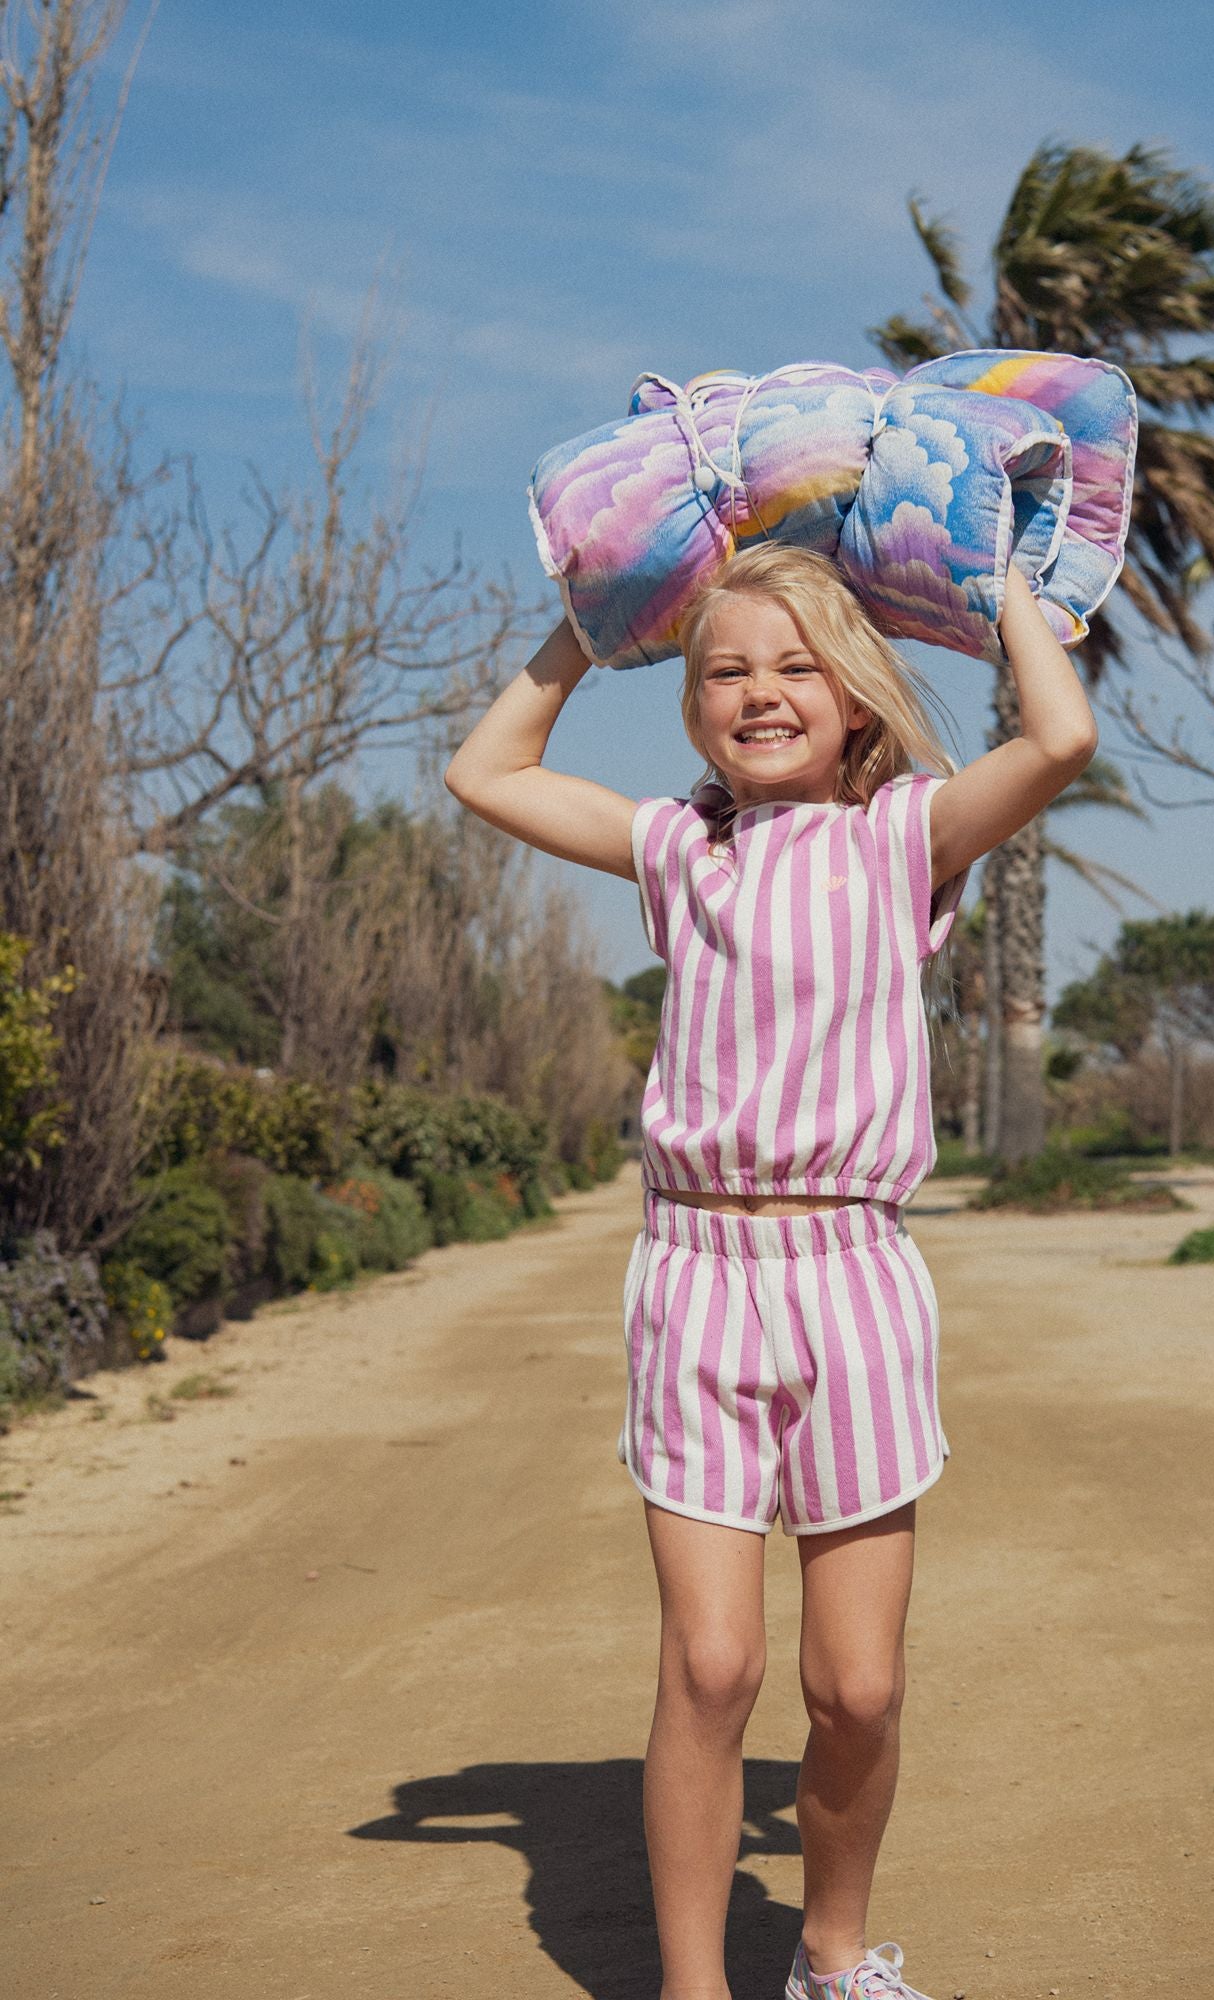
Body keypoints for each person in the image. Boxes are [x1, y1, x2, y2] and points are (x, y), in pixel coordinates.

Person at [445, 541, 1097, 2000]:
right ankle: (694, 1989)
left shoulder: (907, 838)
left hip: (853, 1276)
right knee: (717, 1669)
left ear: (856, 700)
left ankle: (832, 1954)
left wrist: (987, 577)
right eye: (727, 668)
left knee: (853, 1687)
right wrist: (595, 622)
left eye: (798, 667)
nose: (760, 694)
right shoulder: (678, 849)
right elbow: (486, 771)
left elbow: (1059, 735)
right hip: (695, 1275)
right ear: (690, 701)